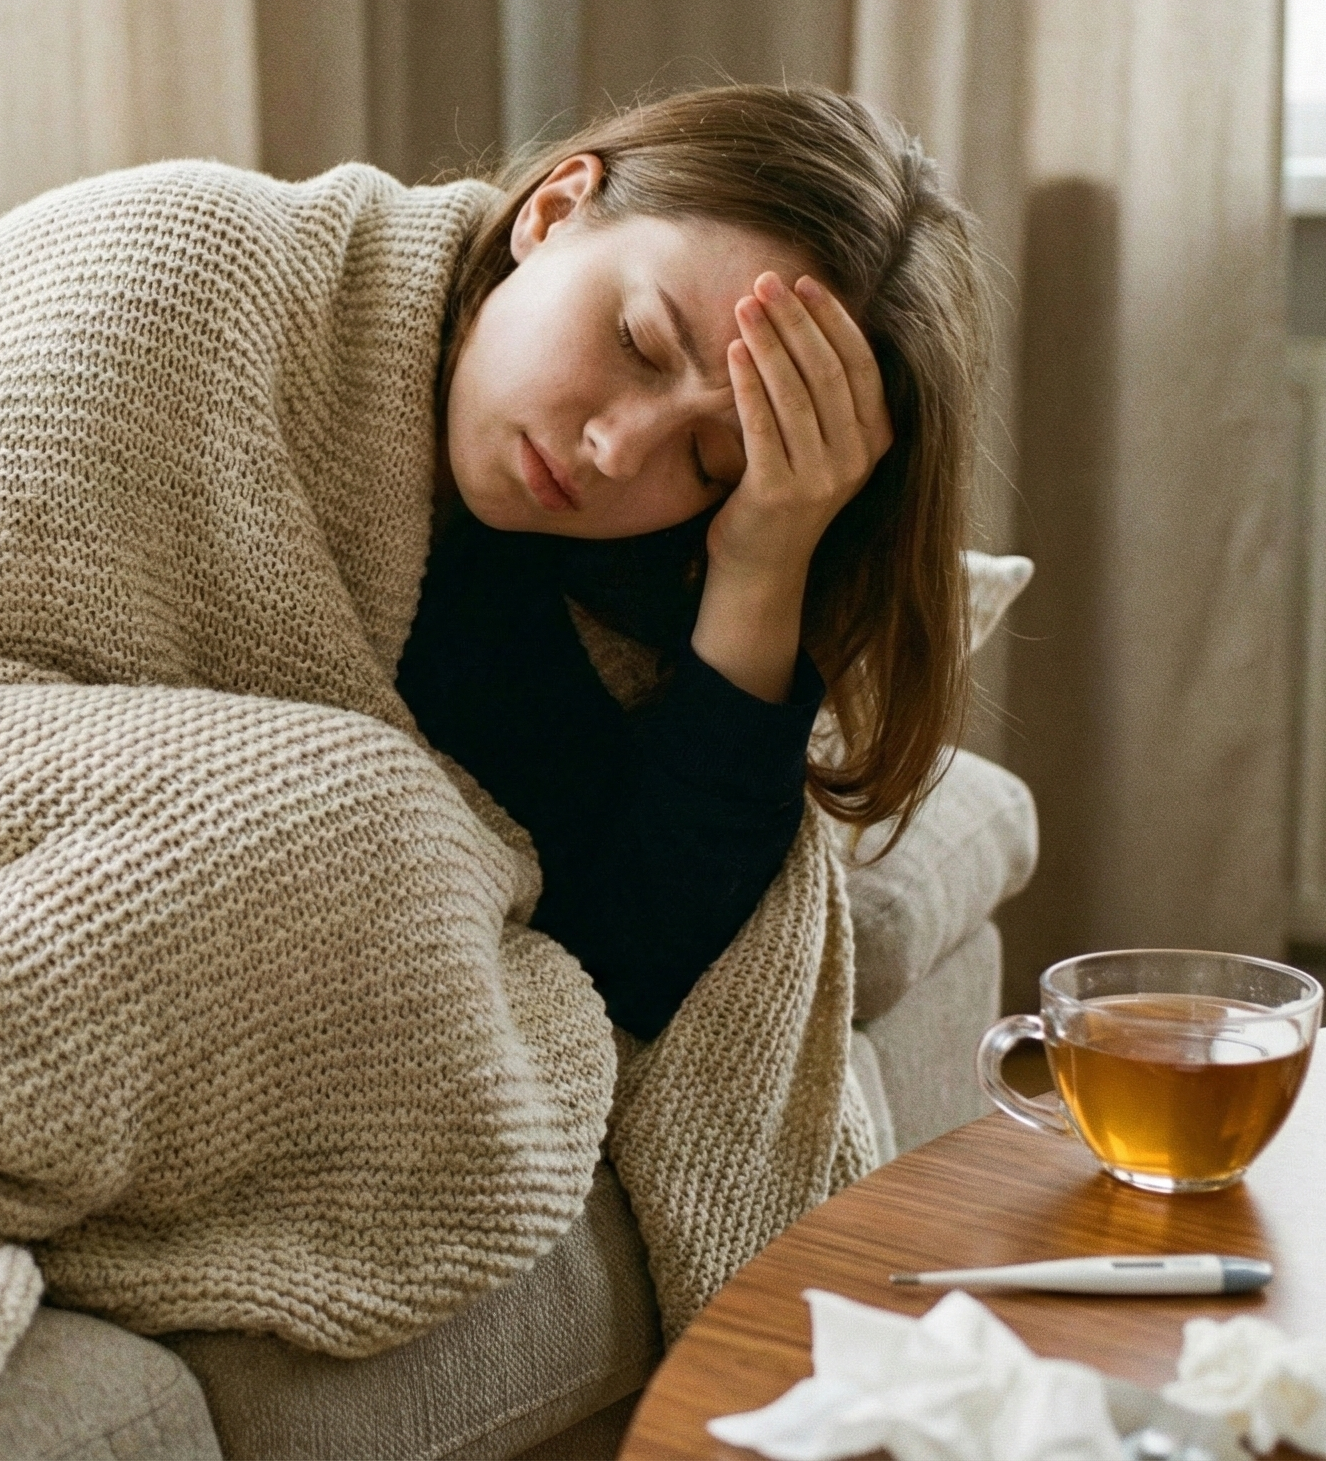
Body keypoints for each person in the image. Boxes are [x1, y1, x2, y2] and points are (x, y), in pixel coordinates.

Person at [399, 84, 988, 1040]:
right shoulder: (216, 281)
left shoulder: (577, 594)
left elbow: (637, 964)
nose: (616, 452)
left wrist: (764, 557)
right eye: (639, 343)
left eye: (710, 463)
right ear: (554, 212)